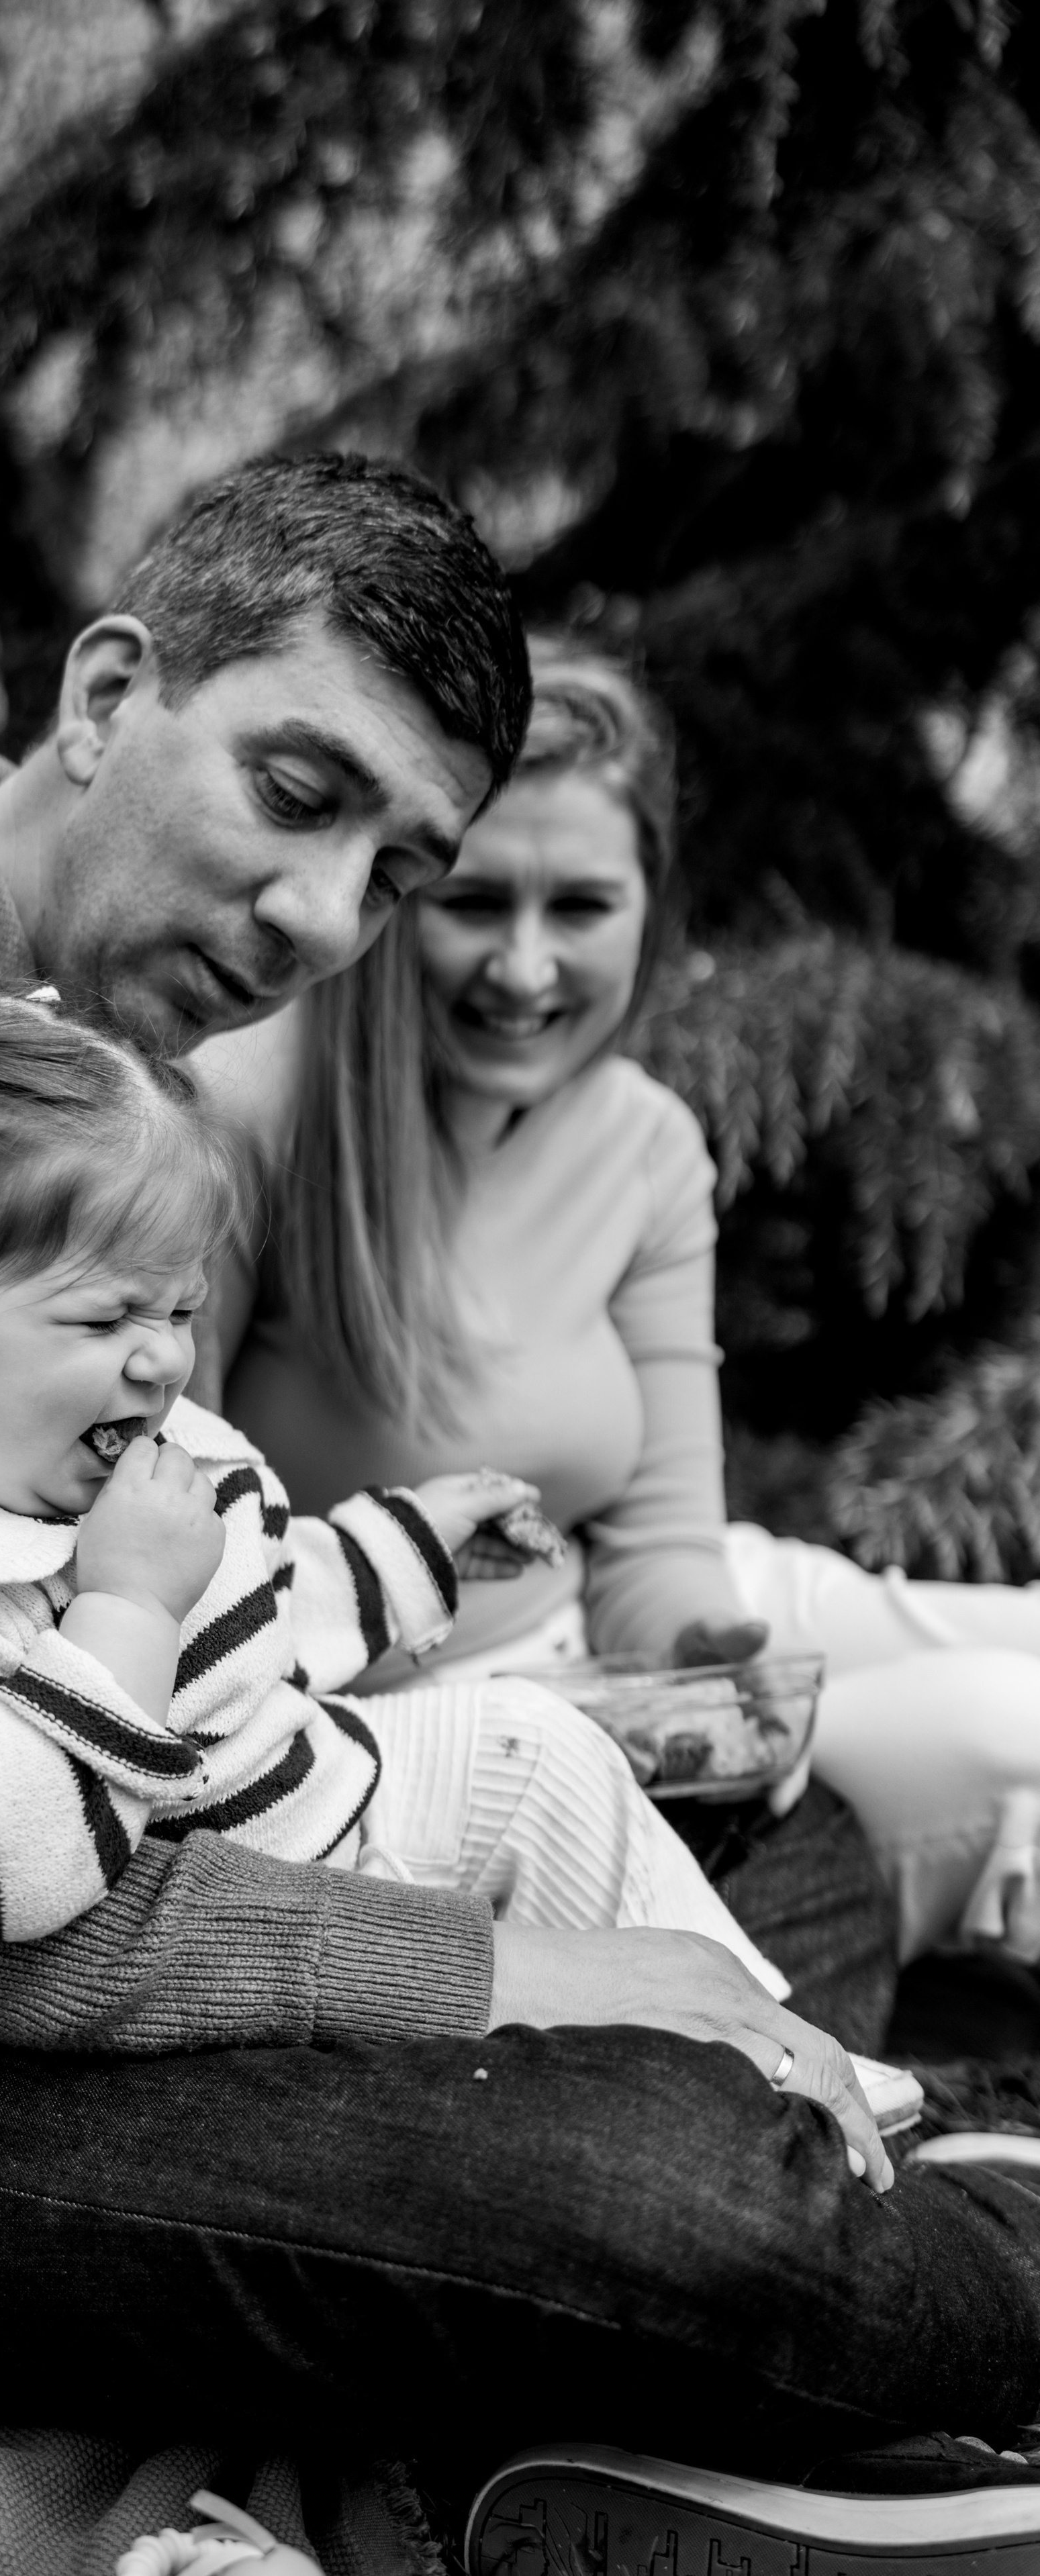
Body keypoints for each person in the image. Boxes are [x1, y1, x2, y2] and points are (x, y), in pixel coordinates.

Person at [0, 454, 1040, 2560]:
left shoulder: (97, 1074)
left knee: (721, 1943)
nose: (322, 922)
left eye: (393, 869)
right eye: (299, 793)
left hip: (72, 1961)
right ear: (106, 694)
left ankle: (888, 2244)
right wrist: (476, 1976)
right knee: (675, 2188)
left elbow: (218, 1605)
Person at [210, 629, 1040, 2007]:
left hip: (629, 1637)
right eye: (474, 902)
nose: (523, 968)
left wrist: (706, 1653)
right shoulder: (260, 1116)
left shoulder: (644, 1139)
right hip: (436, 1708)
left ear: (648, 907)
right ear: (394, 887)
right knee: (1004, 1730)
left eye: (579, 905)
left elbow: (658, 1543)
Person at [0, 970, 799, 2002]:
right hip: (280, 1938)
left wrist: (408, 1544)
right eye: (103, 1319)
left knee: (541, 1748)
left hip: (340, 1797)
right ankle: (730, 2069)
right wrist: (126, 1610)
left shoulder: (131, 1457)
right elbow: (8, 1868)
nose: (163, 1362)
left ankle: (771, 2035)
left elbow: (258, 1595)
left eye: (181, 1313)